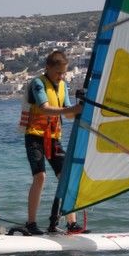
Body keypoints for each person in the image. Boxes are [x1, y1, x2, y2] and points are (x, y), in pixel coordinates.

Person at [23, 50, 82, 235]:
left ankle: (71, 223)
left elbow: (69, 113)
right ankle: (31, 223)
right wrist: (72, 109)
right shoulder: (38, 83)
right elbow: (46, 109)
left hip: (54, 138)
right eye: (58, 73)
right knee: (40, 177)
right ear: (47, 68)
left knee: (65, 176)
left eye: (64, 73)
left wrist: (82, 108)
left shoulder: (63, 85)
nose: (61, 76)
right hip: (35, 136)